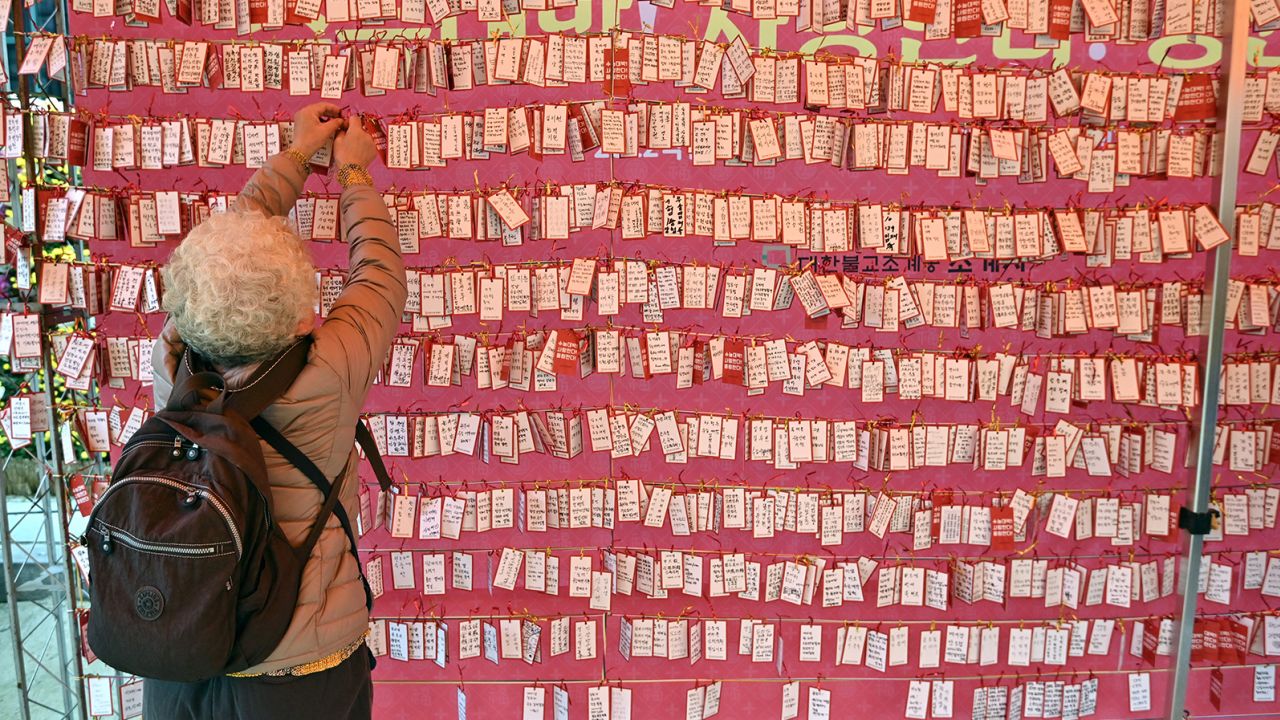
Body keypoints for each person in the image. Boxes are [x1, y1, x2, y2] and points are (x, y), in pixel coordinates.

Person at [142, 103, 408, 719]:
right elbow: (379, 276)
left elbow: (225, 255)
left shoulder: (173, 360)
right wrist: (354, 175)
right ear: (299, 312)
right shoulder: (327, 370)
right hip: (298, 673)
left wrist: (291, 158)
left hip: (181, 652)